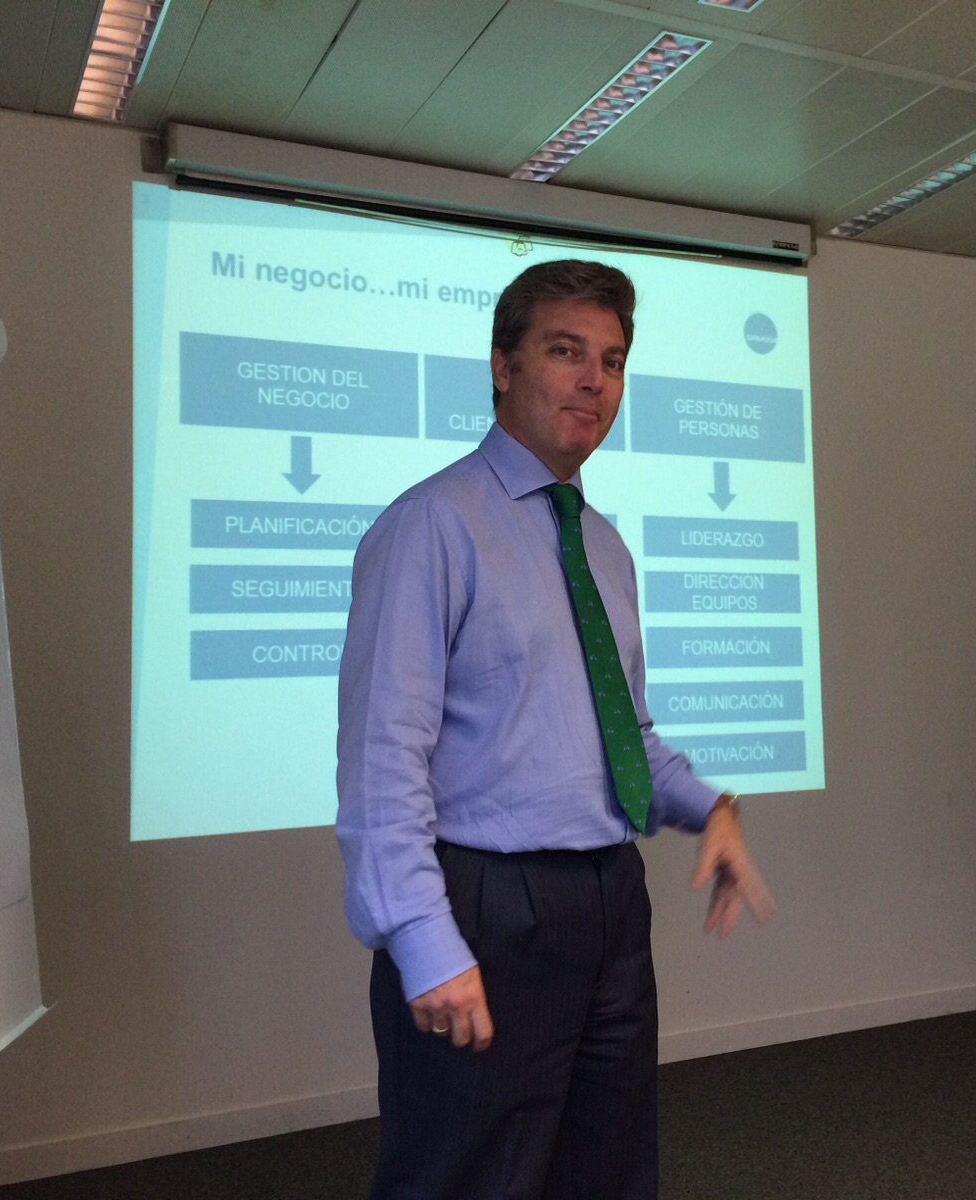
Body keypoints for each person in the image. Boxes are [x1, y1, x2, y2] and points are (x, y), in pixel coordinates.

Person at [336, 258, 773, 1200]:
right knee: (463, 1179)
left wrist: (712, 808)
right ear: (503, 366)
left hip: (610, 902)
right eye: (565, 351)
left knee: (607, 1174)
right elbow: (382, 760)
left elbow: (625, 735)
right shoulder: (429, 527)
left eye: (611, 362)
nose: (593, 381)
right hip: (486, 904)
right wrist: (424, 937)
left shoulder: (604, 547)